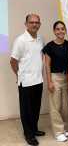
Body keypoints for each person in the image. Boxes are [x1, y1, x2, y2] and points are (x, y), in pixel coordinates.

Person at [10, 14, 45, 146]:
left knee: (36, 107)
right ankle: (28, 134)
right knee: (27, 110)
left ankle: (34, 129)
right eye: (31, 22)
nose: (34, 24)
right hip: (26, 82)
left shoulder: (41, 39)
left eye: (37, 22)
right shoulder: (21, 40)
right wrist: (18, 74)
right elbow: (13, 60)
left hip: (38, 80)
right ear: (26, 24)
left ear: (40, 24)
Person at [42, 21, 68, 142]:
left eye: (62, 29)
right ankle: (57, 132)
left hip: (67, 77)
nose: (60, 31)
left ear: (65, 31)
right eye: (58, 29)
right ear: (54, 31)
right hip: (55, 77)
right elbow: (47, 65)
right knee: (55, 106)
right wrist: (49, 82)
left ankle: (62, 127)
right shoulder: (49, 46)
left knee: (64, 106)